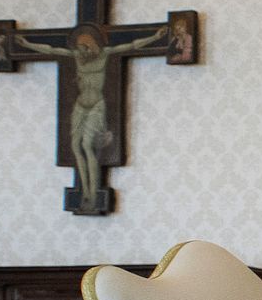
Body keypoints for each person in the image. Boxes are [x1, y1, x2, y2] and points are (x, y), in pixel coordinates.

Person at [15, 24, 167, 208]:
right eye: (78, 49)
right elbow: (51, 50)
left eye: (83, 48)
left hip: (96, 106)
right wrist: (26, 44)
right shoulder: (78, 57)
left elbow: (132, 45)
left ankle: (92, 193)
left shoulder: (105, 54)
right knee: (75, 146)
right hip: (80, 105)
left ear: (91, 45)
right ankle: (85, 192)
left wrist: (155, 37)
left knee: (88, 146)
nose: (81, 53)